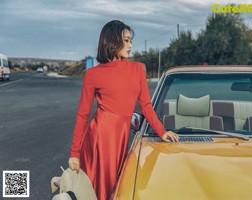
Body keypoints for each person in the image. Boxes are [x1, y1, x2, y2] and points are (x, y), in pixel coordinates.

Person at [68, 20, 179, 200]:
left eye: (130, 41)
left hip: (121, 137)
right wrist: (74, 153)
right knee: (101, 191)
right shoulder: (93, 74)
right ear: (112, 42)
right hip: (100, 139)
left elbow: (146, 106)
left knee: (120, 188)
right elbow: (82, 115)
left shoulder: (137, 69)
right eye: (126, 41)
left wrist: (162, 131)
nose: (130, 45)